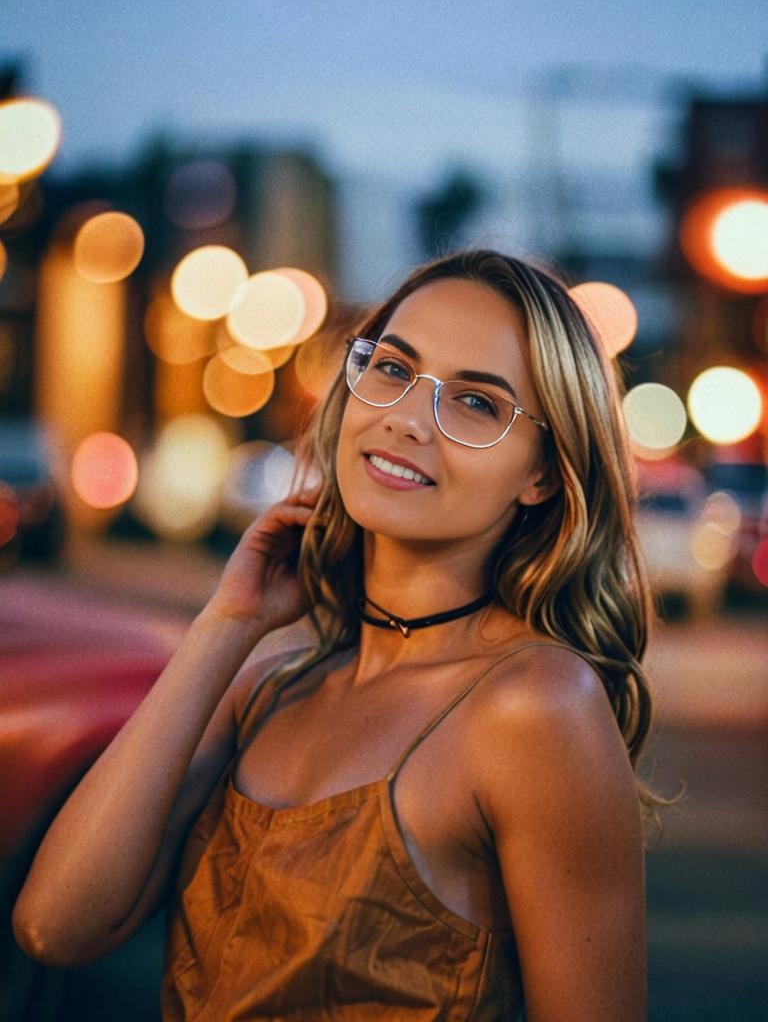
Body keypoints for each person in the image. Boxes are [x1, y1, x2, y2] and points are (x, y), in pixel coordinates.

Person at [13, 249, 669, 1020]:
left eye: (477, 405)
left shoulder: (534, 705)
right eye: (392, 368)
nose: (406, 418)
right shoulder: (270, 689)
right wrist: (226, 627)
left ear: (543, 475)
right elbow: (54, 925)